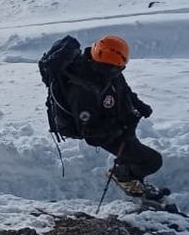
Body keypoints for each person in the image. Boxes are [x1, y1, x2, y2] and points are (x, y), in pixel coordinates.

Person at [41, 34, 162, 198]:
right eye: (117, 68)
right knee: (152, 161)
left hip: (120, 124)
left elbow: (123, 90)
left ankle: (128, 172)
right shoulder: (83, 89)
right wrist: (122, 126)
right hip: (107, 135)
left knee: (134, 153)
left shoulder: (108, 68)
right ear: (105, 65)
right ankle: (123, 176)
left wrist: (138, 105)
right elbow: (89, 132)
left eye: (121, 66)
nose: (120, 70)